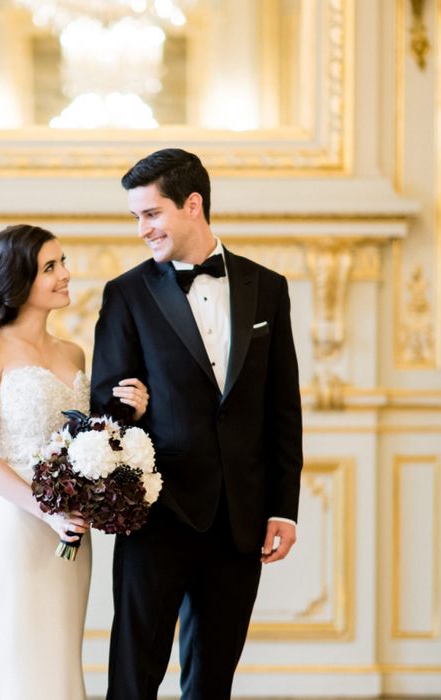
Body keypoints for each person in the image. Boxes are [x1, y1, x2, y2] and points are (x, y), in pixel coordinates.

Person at [90, 149, 303, 699]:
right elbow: (102, 407)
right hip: (156, 517)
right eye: (136, 217)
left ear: (193, 205)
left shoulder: (268, 288)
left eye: (151, 214)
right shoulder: (126, 295)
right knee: (134, 677)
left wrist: (283, 507)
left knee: (212, 680)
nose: (142, 229)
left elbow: (282, 407)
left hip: (240, 519)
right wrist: (124, 409)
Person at [0, 224, 149, 700]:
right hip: (15, 523)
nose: (66, 274)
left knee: (57, 658)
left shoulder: (73, 352)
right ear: (17, 279)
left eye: (63, 262)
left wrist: (132, 412)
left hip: (71, 529)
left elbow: (90, 438)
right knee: (10, 657)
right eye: (50, 267)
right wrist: (46, 510)